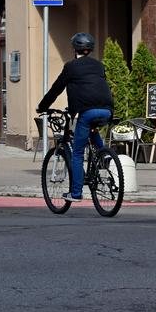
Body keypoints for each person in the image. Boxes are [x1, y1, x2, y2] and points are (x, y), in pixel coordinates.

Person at [36, 33, 113, 203]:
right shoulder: (99, 65)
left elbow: (56, 89)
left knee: (77, 153)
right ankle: (103, 154)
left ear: (74, 49)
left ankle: (76, 193)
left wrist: (42, 107)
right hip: (107, 110)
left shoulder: (71, 67)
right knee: (91, 131)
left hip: (87, 111)